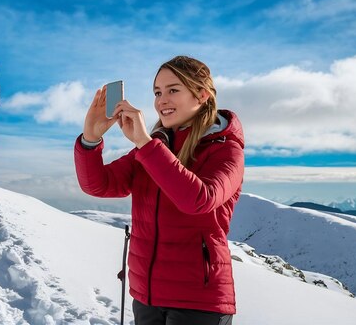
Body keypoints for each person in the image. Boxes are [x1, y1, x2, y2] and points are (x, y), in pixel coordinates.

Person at [74, 56, 244, 324]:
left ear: (201, 95)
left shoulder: (225, 148)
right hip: (147, 296)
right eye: (157, 92)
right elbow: (99, 184)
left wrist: (145, 142)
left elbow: (199, 200)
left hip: (198, 302)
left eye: (173, 90)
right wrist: (90, 139)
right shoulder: (155, 146)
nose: (162, 100)